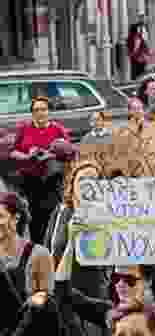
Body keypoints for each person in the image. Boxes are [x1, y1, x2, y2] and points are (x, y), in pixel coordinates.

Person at [52, 239, 155, 336]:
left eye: (129, 280)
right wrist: (71, 245)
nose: (120, 285)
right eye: (116, 279)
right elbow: (62, 292)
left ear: (147, 282)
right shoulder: (111, 314)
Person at [44, 160, 110, 336]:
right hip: (59, 294)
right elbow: (48, 249)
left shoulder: (104, 216)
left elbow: (101, 259)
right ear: (72, 185)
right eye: (82, 181)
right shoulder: (59, 212)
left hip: (91, 297)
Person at [9, 96, 76, 244]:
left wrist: (50, 154)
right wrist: (27, 156)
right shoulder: (24, 128)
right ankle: (37, 249)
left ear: (48, 111)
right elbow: (13, 152)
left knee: (50, 216)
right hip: (30, 180)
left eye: (43, 109)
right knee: (33, 219)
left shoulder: (57, 129)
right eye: (36, 110)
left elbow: (70, 152)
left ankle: (48, 248)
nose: (40, 113)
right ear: (32, 113)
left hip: (52, 180)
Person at [0, 191, 54, 333]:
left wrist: (37, 298)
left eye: (0, 216)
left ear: (16, 218)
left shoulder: (39, 254)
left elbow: (45, 299)